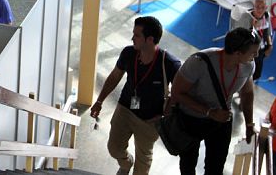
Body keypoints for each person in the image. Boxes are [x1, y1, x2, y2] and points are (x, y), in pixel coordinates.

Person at [90, 16, 181, 175]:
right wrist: (99, 101)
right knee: (114, 148)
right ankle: (126, 163)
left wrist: (164, 115)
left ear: (150, 39)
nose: (132, 38)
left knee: (143, 162)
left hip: (150, 119)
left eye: (137, 35)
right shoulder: (128, 53)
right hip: (125, 109)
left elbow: (180, 94)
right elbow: (114, 77)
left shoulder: (169, 63)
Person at [171, 27, 261, 175]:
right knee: (188, 165)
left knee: (215, 168)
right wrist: (209, 112)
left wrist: (249, 124)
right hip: (191, 120)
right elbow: (176, 92)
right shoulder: (199, 62)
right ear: (238, 53)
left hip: (221, 121)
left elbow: (247, 92)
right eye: (253, 52)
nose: (256, 55)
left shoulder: (248, 65)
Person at [248, 0, 273, 81]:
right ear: (253, 7)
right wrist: (253, 28)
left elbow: (267, 32)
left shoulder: (266, 16)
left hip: (261, 47)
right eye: (257, 7)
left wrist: (270, 45)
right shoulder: (247, 17)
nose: (260, 10)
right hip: (249, 47)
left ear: (266, 8)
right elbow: (245, 36)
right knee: (247, 70)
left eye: (263, 7)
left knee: (257, 72)